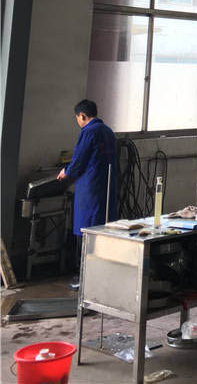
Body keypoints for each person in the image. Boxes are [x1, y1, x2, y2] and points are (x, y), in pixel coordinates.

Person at [57, 99, 117, 280]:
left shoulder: (88, 132)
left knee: (86, 229)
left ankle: (83, 276)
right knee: (103, 229)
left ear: (82, 116)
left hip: (90, 189)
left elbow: (79, 160)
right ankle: (101, 273)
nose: (78, 121)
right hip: (107, 186)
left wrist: (66, 172)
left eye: (77, 118)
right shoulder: (108, 131)